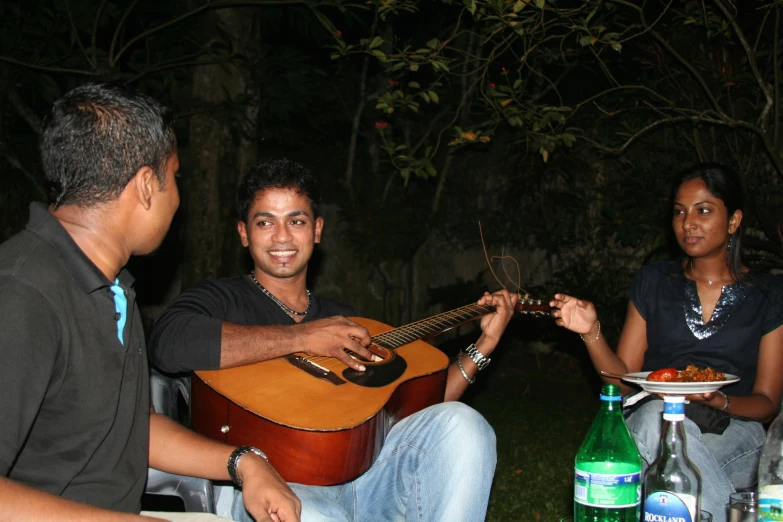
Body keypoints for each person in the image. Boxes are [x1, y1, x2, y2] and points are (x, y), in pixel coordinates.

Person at [148, 157, 518, 522]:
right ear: (244, 233)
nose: (282, 237)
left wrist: (482, 346)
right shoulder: (219, 299)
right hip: (271, 485)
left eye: (296, 221)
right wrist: (301, 336)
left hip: (362, 481)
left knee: (463, 425)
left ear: (317, 230)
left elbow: (411, 412)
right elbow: (168, 343)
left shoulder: (346, 318)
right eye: (265, 222)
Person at [0, 83, 301, 522]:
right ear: (145, 185)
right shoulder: (22, 294)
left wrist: (244, 463)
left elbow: (130, 429)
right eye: (175, 177)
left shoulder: (113, 288)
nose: (177, 198)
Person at [550, 163, 783, 522]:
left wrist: (717, 399)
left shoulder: (769, 293)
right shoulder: (654, 281)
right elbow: (623, 383)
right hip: (655, 419)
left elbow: (767, 403)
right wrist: (590, 333)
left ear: (734, 220)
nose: (687, 223)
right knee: (659, 420)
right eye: (679, 212)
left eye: (703, 210)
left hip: (734, 429)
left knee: (664, 470)